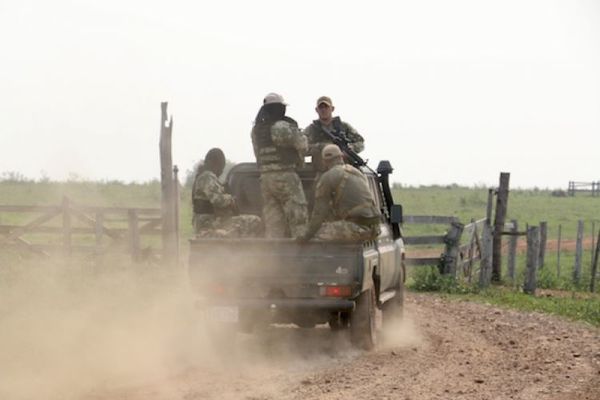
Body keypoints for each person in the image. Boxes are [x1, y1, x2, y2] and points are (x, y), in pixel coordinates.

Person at [251, 93, 308, 237]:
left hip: (265, 179)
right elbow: (303, 145)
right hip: (286, 177)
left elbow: (257, 154)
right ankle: (300, 256)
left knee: (273, 223)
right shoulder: (282, 127)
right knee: (298, 220)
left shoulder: (256, 130)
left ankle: (274, 257)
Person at [297, 144, 381, 242]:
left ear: (324, 161)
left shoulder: (327, 177)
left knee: (318, 232)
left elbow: (319, 212)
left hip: (357, 228)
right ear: (341, 157)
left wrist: (305, 237)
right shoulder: (356, 172)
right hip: (375, 228)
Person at [192, 148, 262, 238]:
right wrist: (231, 199)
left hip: (210, 221)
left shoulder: (202, 176)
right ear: (215, 163)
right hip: (209, 224)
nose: (221, 171)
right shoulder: (207, 176)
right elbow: (218, 200)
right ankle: (248, 250)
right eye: (221, 167)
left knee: (240, 225)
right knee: (254, 221)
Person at [304, 96, 365, 172]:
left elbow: (360, 142)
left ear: (332, 109)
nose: (323, 110)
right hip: (320, 172)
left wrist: (350, 148)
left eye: (326, 107)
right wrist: (320, 147)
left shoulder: (344, 127)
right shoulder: (311, 129)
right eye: (321, 108)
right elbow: (301, 148)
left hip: (344, 170)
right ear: (317, 110)